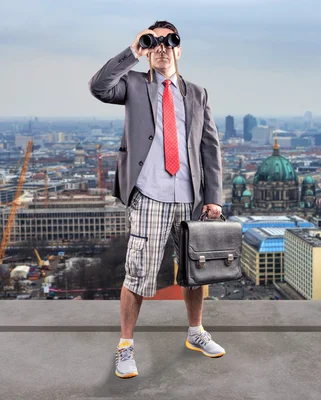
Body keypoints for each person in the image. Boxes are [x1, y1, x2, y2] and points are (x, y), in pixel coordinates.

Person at [88, 20, 225, 379]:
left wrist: (214, 198)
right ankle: (125, 346)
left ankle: (196, 333)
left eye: (170, 41)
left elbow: (210, 148)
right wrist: (133, 51)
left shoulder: (197, 93)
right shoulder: (133, 84)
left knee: (194, 274)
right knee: (137, 275)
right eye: (155, 42)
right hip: (149, 196)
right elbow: (99, 87)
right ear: (148, 49)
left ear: (179, 49)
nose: (162, 47)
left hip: (190, 200)